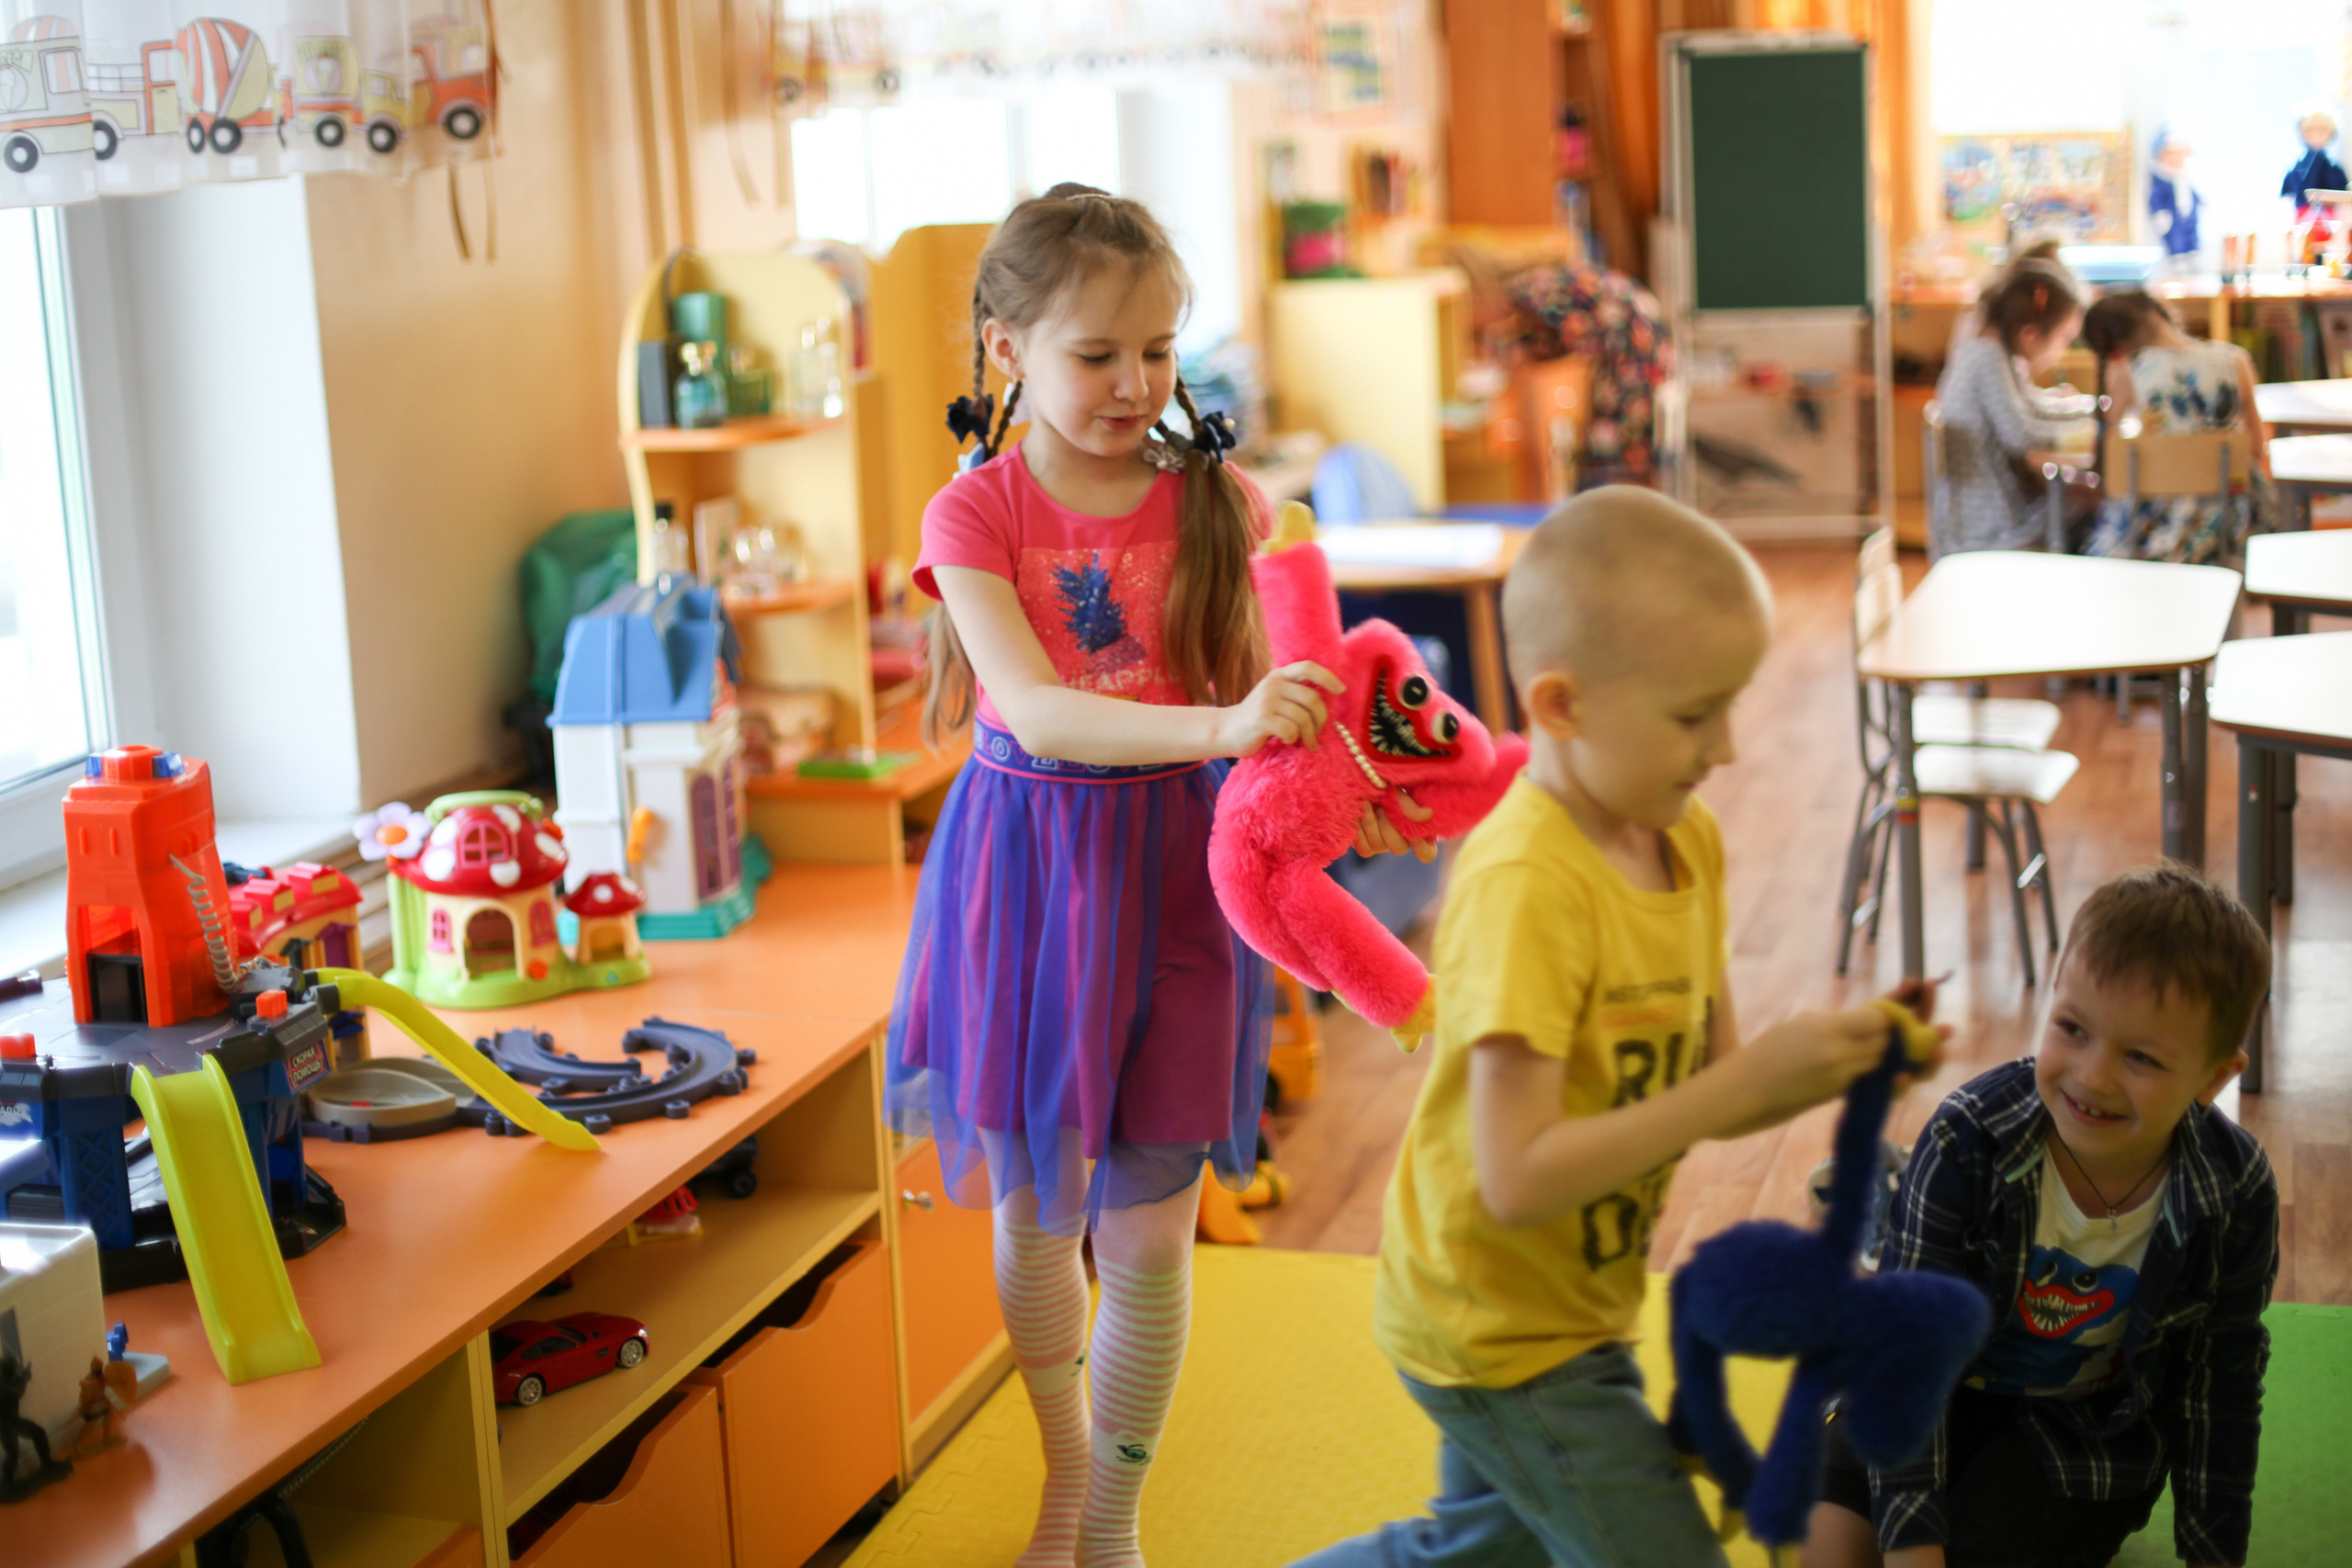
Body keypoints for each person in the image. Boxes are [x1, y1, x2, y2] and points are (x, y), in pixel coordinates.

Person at [891, 184, 1420, 1568]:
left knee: (1148, 1231)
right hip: (1029, 876)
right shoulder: (973, 514)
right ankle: (1067, 1482)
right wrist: (1226, 726)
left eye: (1160, 349)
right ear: (1007, 351)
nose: (1135, 384)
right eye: (1096, 354)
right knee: (1036, 1214)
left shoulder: (1222, 502)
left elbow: (1292, 685)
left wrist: (1362, 771)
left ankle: (1111, 1524)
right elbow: (1035, 707)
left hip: (1185, 874)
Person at [1287, 488, 1942, 1568]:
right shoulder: (1525, 884)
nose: (1726, 746)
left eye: (1730, 706)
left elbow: (1718, 1072)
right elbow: (1516, 1175)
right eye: (1694, 715)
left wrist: (1837, 1055)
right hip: (1494, 1326)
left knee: (1483, 1552)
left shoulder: (1683, 844)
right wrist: (1734, 1093)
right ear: (1562, 706)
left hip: (1574, 1299)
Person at [1803, 864, 2278, 1568]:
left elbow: (2221, 1384)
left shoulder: (2234, 1189)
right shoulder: (1968, 1137)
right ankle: (1887, 1210)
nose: (2093, 1075)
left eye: (2141, 1056)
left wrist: (2214, 1554)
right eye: (2072, 1028)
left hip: (2085, 1426)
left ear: (2213, 1078)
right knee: (1831, 1550)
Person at [2080, 290, 2276, 564]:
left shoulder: (2132, 372)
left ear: (2115, 350)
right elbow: (2256, 447)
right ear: (2163, 315)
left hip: (2159, 524)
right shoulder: (2235, 361)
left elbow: (2114, 459)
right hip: (2229, 516)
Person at [1452, 247, 1674, 487]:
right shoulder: (1532, 288)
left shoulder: (1537, 295)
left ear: (1479, 294)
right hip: (1642, 349)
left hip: (1634, 358)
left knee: (1605, 458)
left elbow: (1549, 360)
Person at [1931, 259, 2095, 556]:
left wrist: (2092, 410)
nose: (2063, 350)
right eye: (2063, 339)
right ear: (2030, 335)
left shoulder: (1993, 351)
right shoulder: (1986, 358)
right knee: (2091, 499)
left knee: (2083, 496)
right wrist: (2083, 432)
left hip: (1994, 514)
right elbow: (2020, 433)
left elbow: (2032, 405)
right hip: (1991, 524)